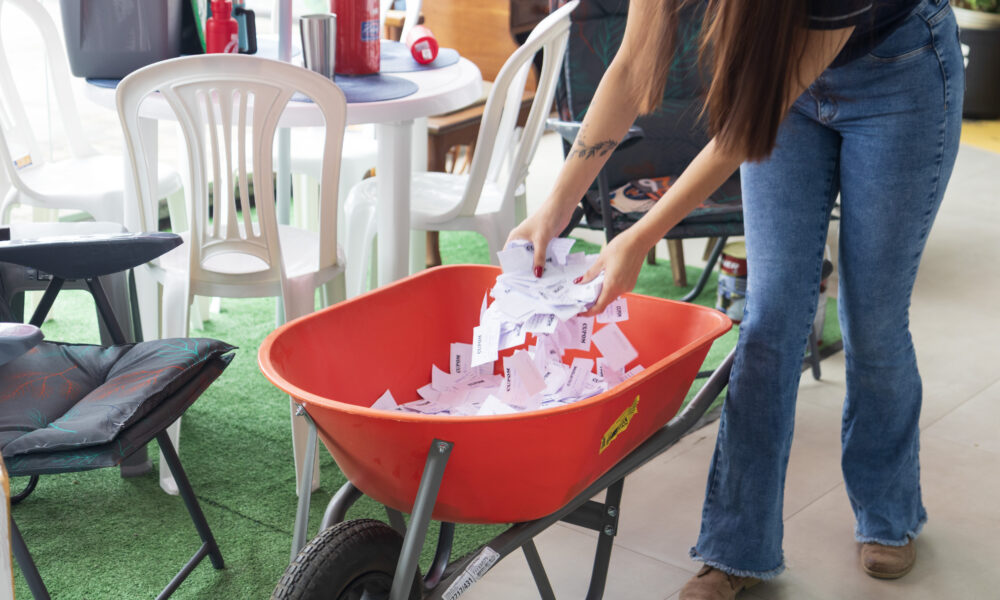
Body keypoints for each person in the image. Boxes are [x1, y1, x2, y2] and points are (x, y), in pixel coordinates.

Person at [507, 0, 964, 597]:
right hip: (782, 83)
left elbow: (742, 134)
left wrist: (641, 236)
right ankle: (736, 549)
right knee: (769, 319)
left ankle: (888, 511)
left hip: (899, 75)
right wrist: (557, 204)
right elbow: (632, 66)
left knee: (872, 320)